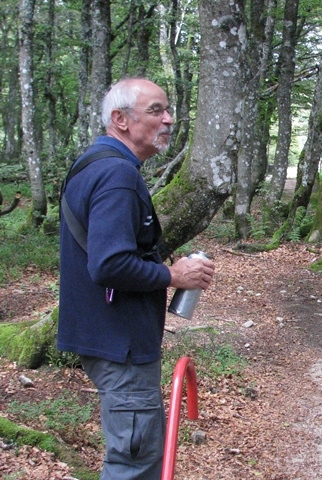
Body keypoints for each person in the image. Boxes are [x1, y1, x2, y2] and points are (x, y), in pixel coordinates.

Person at [58, 77, 215, 479]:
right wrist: (172, 274)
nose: (169, 120)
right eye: (156, 111)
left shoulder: (96, 163)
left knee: (138, 454)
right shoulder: (116, 175)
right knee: (136, 462)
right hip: (119, 343)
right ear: (120, 119)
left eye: (168, 110)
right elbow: (109, 265)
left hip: (109, 336)